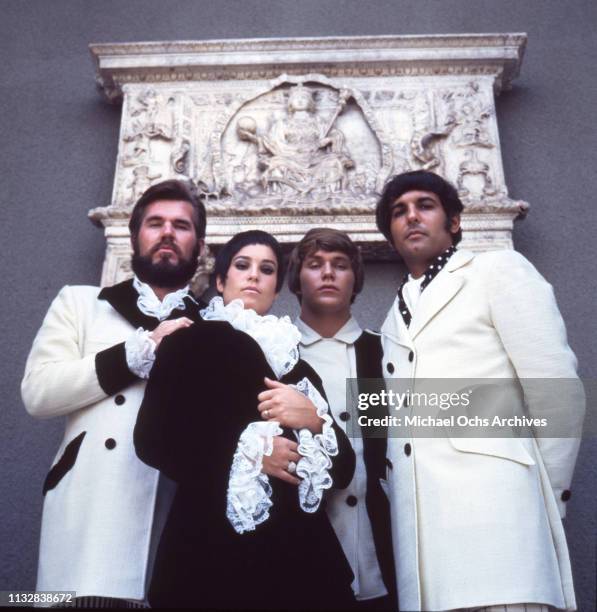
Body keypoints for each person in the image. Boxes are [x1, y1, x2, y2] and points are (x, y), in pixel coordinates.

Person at [376, 170, 584, 611]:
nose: (411, 216)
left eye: (424, 206)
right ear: (390, 234)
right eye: (399, 212)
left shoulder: (497, 270)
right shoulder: (392, 317)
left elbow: (555, 387)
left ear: (453, 222)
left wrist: (543, 498)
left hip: (500, 529)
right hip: (426, 547)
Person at [134, 230, 356, 610]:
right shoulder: (190, 339)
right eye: (242, 265)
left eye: (266, 269)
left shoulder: (295, 363)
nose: (254, 275)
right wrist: (250, 456)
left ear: (276, 287)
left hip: (300, 566)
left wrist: (315, 420)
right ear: (221, 281)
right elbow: (153, 440)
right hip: (211, 557)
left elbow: (343, 469)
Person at [21, 179, 206, 607]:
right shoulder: (81, 303)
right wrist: (133, 355)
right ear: (135, 235)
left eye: (181, 226)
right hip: (92, 519)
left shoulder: (213, 325)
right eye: (155, 223)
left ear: (198, 245)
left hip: (173, 520)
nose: (167, 233)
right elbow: (38, 392)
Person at [285, 228, 397, 611]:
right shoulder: (276, 354)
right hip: (302, 561)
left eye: (340, 265)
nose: (328, 273)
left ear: (355, 280)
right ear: (297, 280)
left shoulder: (383, 353)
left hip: (383, 558)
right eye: (315, 265)